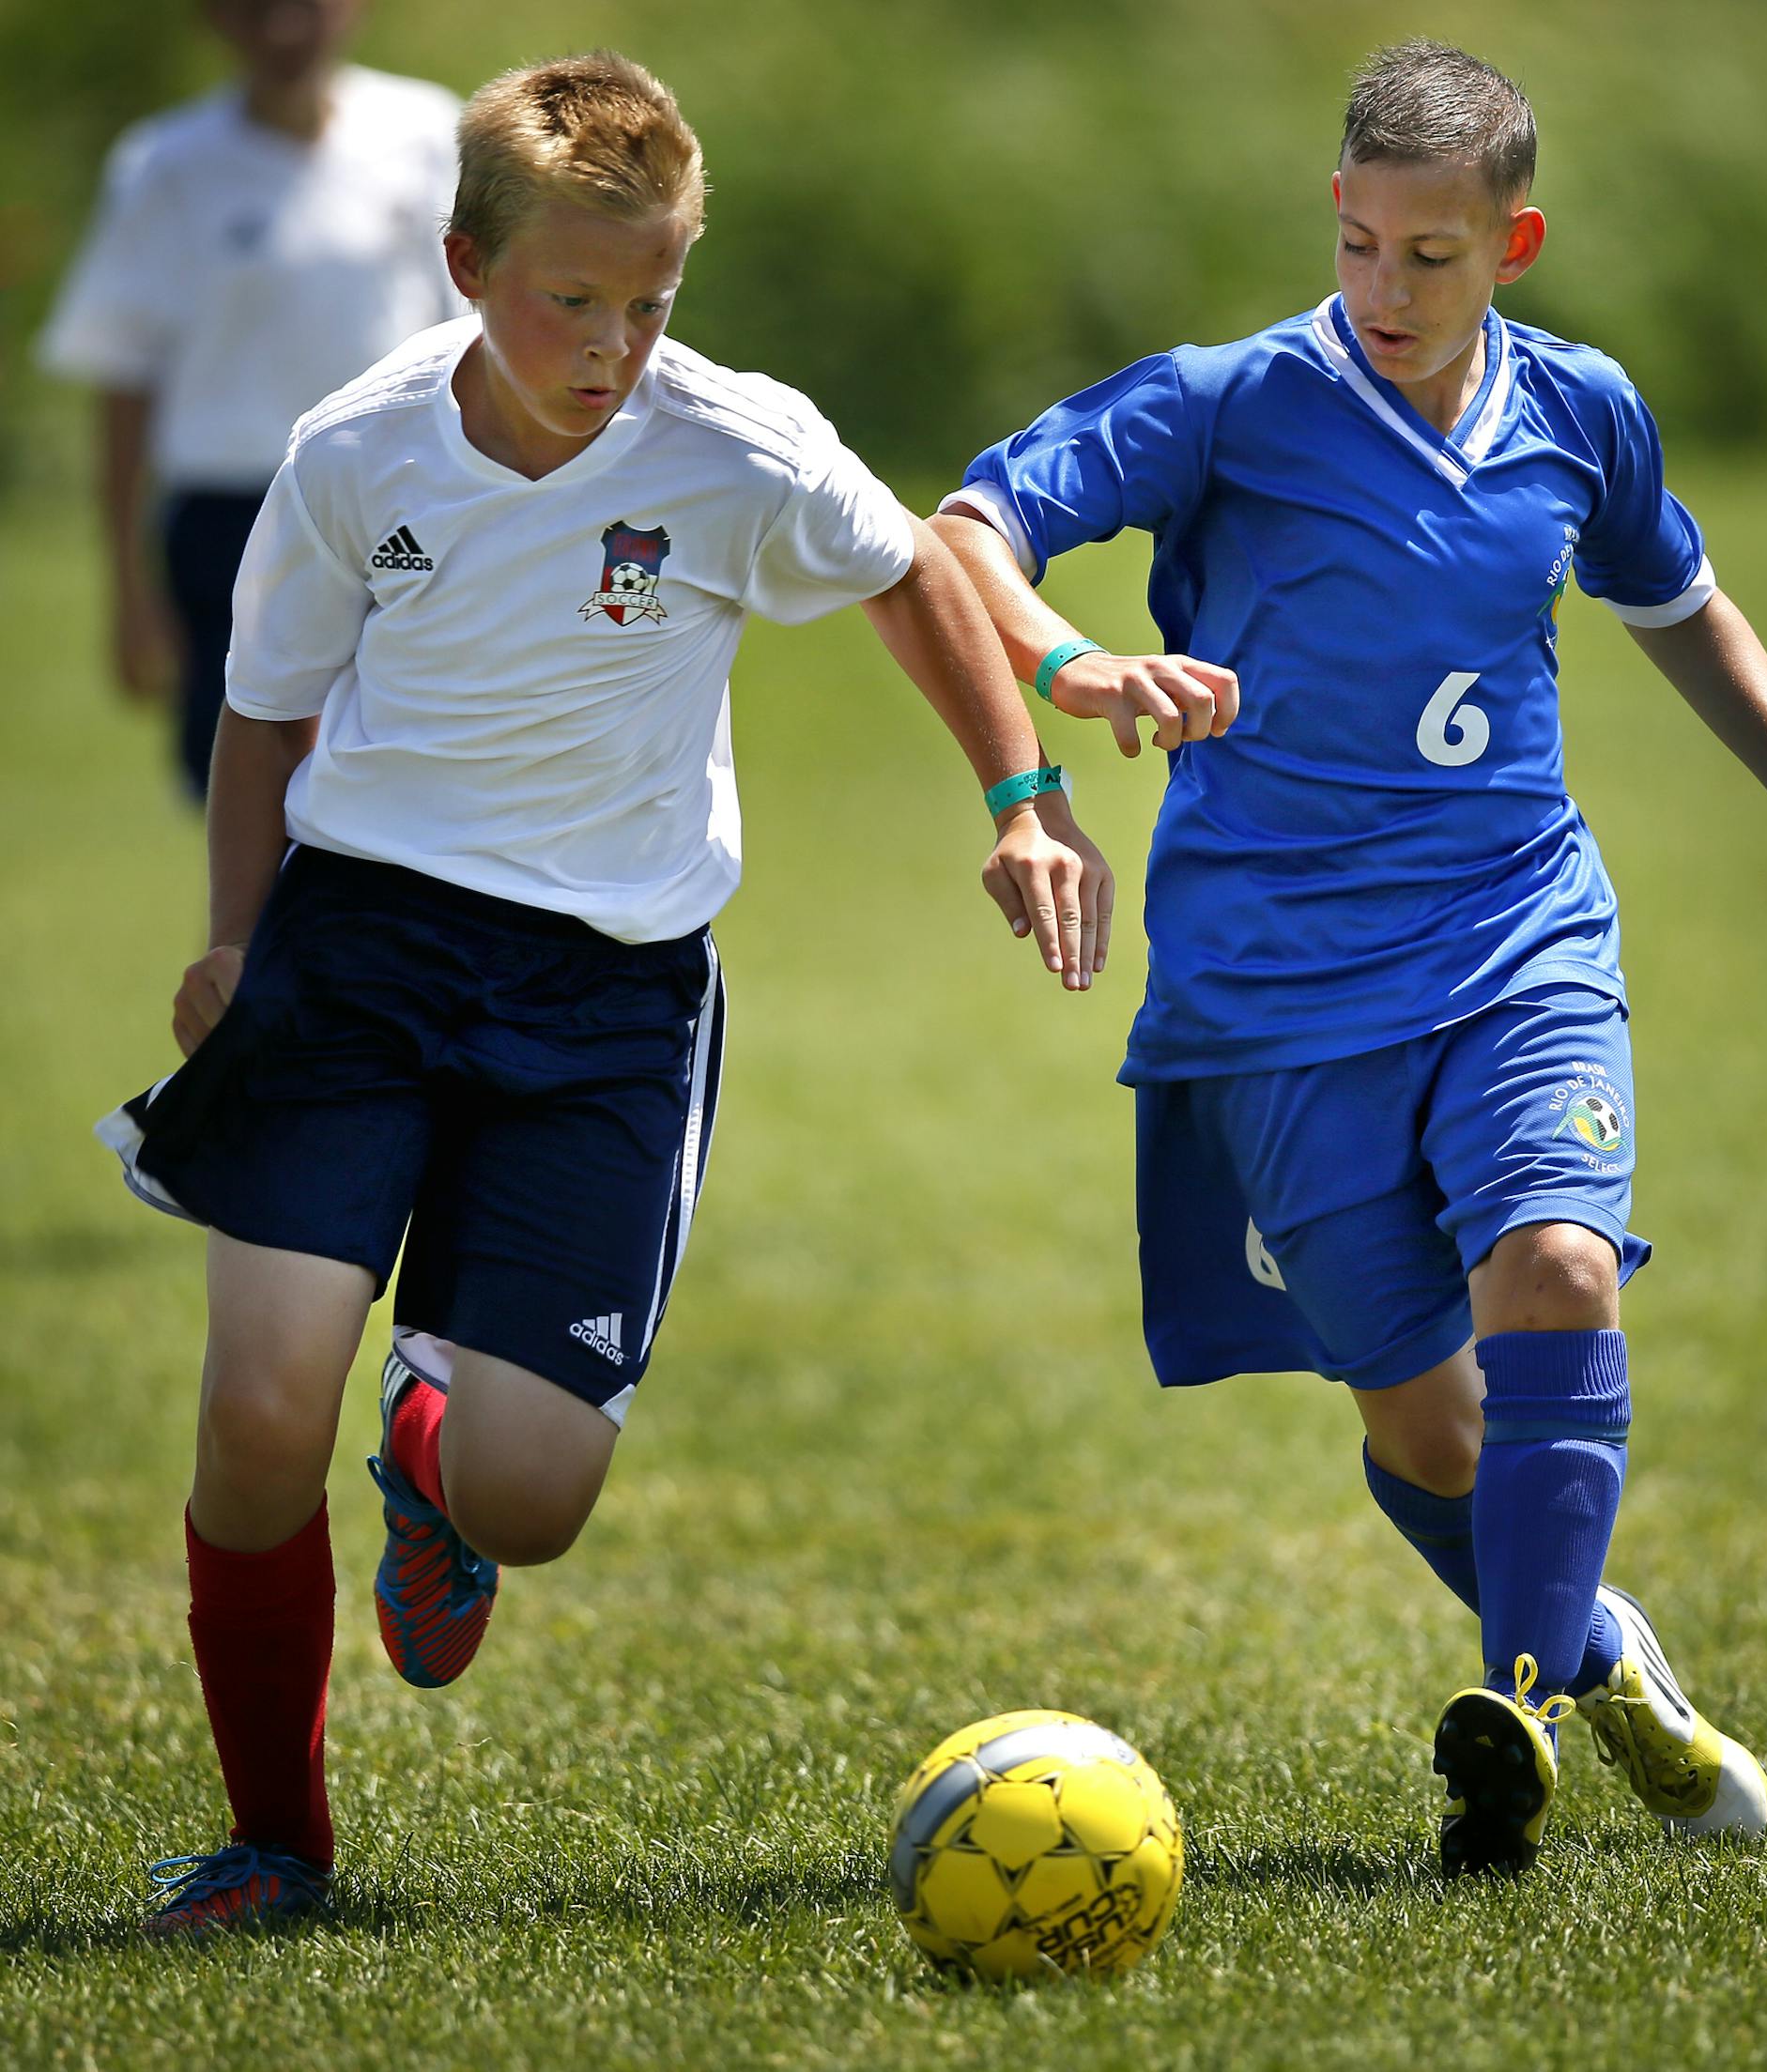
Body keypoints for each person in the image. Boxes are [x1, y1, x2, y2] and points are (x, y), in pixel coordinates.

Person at [96, 48, 1110, 1935]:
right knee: (251, 1409)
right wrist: (235, 932)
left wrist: (1021, 799)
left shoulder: (737, 442)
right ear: (468, 261)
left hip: (610, 993)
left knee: (533, 1493)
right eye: (575, 300)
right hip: (361, 946)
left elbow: (911, 580)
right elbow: (262, 704)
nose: (616, 345)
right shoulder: (357, 449)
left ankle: (437, 1451)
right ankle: (275, 1842)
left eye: (652, 302)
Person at [932, 39, 1767, 1876]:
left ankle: (1513, 1705)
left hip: (1518, 925)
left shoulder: (1581, 412)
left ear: (1511, 239)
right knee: (1434, 1425)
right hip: (1275, 986)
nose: (1387, 289)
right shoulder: (1228, 400)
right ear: (1336, 218)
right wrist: (1079, 673)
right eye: (1362, 243)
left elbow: (1673, 598)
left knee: (1554, 1262)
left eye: (1431, 256)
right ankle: (1602, 1654)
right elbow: (967, 528)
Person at [37, 0, 463, 799]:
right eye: (255, 9)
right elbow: (125, 374)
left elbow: (471, 335)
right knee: (250, 794)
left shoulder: (427, 132)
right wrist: (129, 589)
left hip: (396, 507)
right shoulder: (166, 163)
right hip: (232, 527)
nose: (282, 31)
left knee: (394, 781)